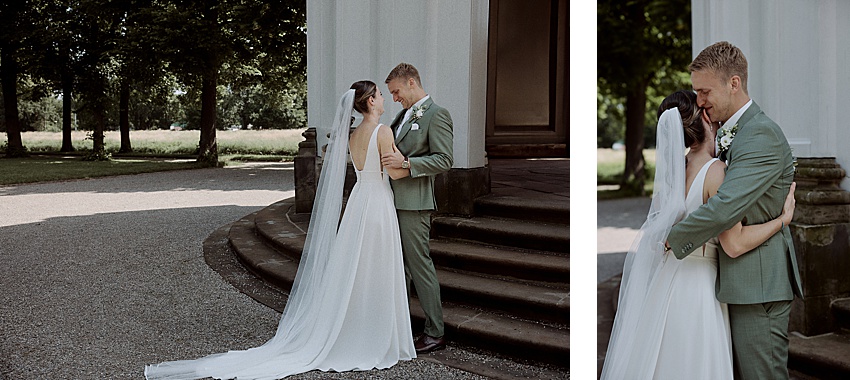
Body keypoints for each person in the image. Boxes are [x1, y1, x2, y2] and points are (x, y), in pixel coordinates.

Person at [144, 81, 416, 379]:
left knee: (356, 268)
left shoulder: (352, 135)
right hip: (377, 204)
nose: (382, 99)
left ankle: (353, 327)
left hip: (358, 204)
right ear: (370, 102)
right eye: (378, 95)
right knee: (377, 267)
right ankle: (377, 334)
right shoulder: (383, 131)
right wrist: (409, 163)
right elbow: (394, 171)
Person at [600, 90, 796, 380]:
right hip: (699, 289)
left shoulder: (673, 172)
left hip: (667, 285)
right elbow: (734, 242)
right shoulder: (716, 172)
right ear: (706, 117)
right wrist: (782, 220)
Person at [665, 41, 803, 380]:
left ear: (734, 83)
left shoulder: (760, 136)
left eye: (704, 91)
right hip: (737, 284)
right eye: (696, 92)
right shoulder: (731, 133)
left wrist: (671, 237)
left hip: (759, 287)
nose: (699, 101)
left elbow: (724, 207)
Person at [380, 63, 454, 353]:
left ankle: (435, 332)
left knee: (419, 266)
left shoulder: (437, 115)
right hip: (390, 200)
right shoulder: (402, 116)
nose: (395, 98)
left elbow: (445, 159)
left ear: (411, 82)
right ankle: (401, 326)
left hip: (414, 204)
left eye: (396, 91)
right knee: (399, 267)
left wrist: (408, 164)